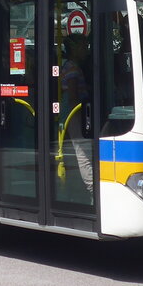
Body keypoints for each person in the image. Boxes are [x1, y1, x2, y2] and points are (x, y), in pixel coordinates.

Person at [60, 33, 93, 194]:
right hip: (75, 114)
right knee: (83, 154)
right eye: (84, 47)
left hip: (70, 114)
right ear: (75, 49)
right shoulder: (72, 67)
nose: (86, 50)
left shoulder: (67, 65)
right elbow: (73, 96)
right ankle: (92, 188)